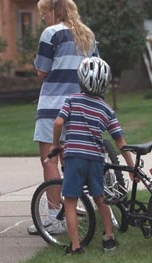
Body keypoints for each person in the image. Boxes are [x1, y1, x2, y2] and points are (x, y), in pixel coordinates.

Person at [28, 0, 99, 235]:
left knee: (50, 159)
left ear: (52, 11)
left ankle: (54, 218)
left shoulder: (51, 33)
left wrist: (35, 62)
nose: (43, 18)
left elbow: (42, 71)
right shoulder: (88, 33)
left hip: (54, 105)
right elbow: (95, 68)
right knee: (71, 160)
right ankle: (72, 209)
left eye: (44, 13)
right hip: (81, 106)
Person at [50, 57, 134, 254]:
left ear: (81, 79)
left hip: (74, 158)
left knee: (70, 202)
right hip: (96, 158)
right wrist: (130, 167)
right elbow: (119, 141)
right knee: (100, 198)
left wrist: (56, 144)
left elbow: (58, 123)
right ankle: (109, 239)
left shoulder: (71, 100)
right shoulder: (107, 109)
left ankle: (76, 247)